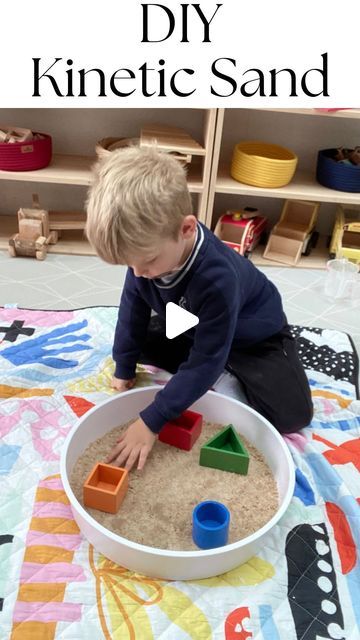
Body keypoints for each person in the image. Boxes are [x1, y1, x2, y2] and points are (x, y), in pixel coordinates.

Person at [86, 146, 313, 471]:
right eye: (128, 264)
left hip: (254, 338)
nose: (136, 273)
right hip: (196, 324)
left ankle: (225, 373)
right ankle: (211, 368)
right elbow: (131, 311)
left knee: (293, 415)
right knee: (142, 344)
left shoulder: (217, 277)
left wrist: (152, 419)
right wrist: (123, 365)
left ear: (187, 229)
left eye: (147, 262)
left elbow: (206, 357)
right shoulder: (143, 259)